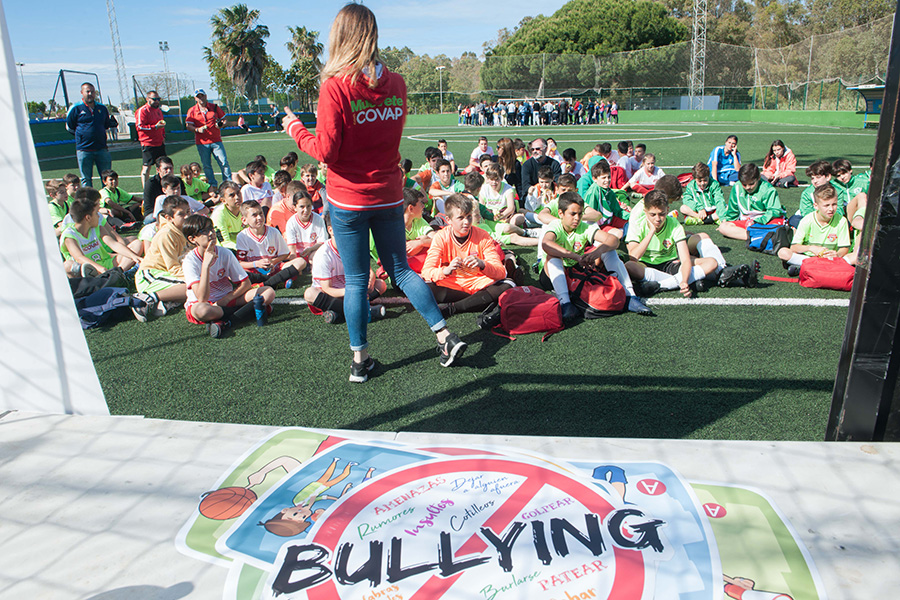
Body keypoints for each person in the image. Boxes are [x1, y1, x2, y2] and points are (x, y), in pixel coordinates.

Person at [282, 3, 466, 382]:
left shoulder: (335, 86)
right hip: (388, 193)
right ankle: (444, 336)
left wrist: (295, 129)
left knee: (355, 280)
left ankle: (359, 361)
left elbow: (327, 151)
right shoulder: (396, 83)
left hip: (348, 199)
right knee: (400, 271)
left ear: (340, 37)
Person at [538, 192, 652, 320]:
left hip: (575, 272)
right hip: (551, 276)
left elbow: (613, 240)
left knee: (609, 251)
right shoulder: (556, 225)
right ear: (560, 214)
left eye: (580, 214)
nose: (577, 218)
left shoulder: (584, 227)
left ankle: (630, 296)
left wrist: (596, 253)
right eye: (573, 214)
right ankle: (565, 303)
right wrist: (575, 256)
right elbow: (546, 244)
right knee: (553, 258)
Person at [420, 194, 513, 320]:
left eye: (469, 216)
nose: (466, 222)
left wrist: (482, 264)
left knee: (508, 284)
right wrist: (445, 271)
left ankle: (454, 308)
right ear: (448, 219)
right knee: (425, 288)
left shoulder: (483, 235)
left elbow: (501, 272)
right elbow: (426, 272)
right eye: (461, 218)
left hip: (480, 283)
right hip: (453, 284)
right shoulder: (441, 237)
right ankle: (479, 302)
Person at [181, 214, 275, 338]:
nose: (211, 233)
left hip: (228, 299)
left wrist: (226, 299)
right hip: (205, 305)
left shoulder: (225, 253)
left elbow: (245, 284)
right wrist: (205, 266)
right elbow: (202, 298)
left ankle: (225, 321)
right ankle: (247, 311)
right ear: (192, 239)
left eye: (211, 228)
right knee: (202, 311)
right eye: (204, 231)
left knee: (268, 293)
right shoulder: (190, 261)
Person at [626, 190, 731, 298]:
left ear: (667, 210)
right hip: (646, 265)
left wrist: (684, 281)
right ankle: (687, 280)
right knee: (629, 266)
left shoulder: (674, 224)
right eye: (653, 214)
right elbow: (634, 257)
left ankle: (662, 285)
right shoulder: (638, 224)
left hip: (670, 264)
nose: (657, 219)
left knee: (712, 263)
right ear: (645, 211)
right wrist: (651, 232)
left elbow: (685, 259)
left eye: (662, 214)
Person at [303, 212, 387, 326]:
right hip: (332, 295)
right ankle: (364, 311)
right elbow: (327, 289)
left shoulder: (355, 245)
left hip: (351, 290)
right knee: (309, 293)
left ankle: (338, 313)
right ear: (330, 230)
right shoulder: (323, 254)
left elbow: (370, 272)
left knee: (381, 285)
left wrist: (370, 282)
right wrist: (352, 292)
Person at [60, 188, 142, 279]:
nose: (99, 216)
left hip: (106, 263)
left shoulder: (98, 228)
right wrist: (101, 269)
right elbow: (79, 257)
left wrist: (134, 256)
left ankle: (118, 275)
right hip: (89, 268)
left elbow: (114, 244)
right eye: (96, 213)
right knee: (67, 265)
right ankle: (111, 276)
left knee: (136, 244)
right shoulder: (70, 235)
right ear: (88, 218)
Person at [134, 195, 191, 318]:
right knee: (195, 286)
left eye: (188, 211)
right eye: (181, 214)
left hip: (166, 275)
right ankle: (147, 298)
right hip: (150, 275)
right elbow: (174, 268)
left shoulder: (184, 229)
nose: (187, 216)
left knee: (201, 286)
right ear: (169, 218)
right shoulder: (166, 234)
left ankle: (169, 302)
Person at [778, 184, 851, 276]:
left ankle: (806, 267)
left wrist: (837, 254)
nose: (831, 209)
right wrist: (811, 248)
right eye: (826, 205)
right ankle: (819, 267)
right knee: (783, 252)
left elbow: (844, 248)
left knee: (855, 257)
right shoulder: (807, 220)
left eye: (834, 204)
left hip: (831, 259)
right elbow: (794, 247)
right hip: (809, 257)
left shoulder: (841, 221)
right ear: (816, 206)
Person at [235, 200, 304, 288]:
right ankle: (278, 281)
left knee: (300, 262)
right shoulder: (242, 236)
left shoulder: (273, 232)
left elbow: (285, 253)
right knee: (236, 271)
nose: (259, 217)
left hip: (274, 268)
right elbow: (240, 263)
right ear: (244, 220)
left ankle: (264, 284)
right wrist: (256, 264)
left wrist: (273, 261)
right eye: (254, 215)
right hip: (254, 270)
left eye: (261, 213)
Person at [65, 82, 118, 188]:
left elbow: (106, 124)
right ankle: (89, 203)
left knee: (107, 178)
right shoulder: (76, 108)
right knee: (86, 179)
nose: (90, 94)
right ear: (81, 93)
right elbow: (69, 127)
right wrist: (83, 136)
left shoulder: (102, 108)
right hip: (84, 150)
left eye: (92, 92)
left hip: (101, 148)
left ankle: (107, 202)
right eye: (87, 91)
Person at [717, 164, 786, 241]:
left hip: (767, 221)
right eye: (744, 184)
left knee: (778, 228)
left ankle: (759, 235)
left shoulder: (768, 189)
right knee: (723, 227)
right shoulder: (736, 187)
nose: (748, 187)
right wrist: (728, 222)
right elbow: (733, 211)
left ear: (759, 178)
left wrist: (758, 221)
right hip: (748, 222)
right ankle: (758, 237)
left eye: (751, 184)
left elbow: (775, 211)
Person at [185, 89, 233, 186]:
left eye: (202, 96)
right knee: (207, 166)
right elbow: (188, 125)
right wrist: (197, 129)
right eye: (198, 96)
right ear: (195, 98)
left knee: (223, 162)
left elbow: (225, 120)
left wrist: (221, 125)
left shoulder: (214, 107)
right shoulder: (192, 110)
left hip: (216, 141)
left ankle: (228, 183)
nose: (201, 98)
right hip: (202, 142)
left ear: (206, 96)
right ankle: (212, 185)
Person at [284, 191, 328, 270]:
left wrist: (310, 249)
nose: (306, 210)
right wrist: (294, 260)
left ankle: (316, 275)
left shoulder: (318, 219)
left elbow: (322, 242)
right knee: (298, 262)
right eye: (302, 207)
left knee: (316, 258)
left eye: (308, 206)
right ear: (295, 207)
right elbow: (292, 249)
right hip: (299, 256)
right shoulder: (291, 222)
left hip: (313, 251)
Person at [134, 91, 167, 188]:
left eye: (158, 99)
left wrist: (163, 136)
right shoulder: (142, 111)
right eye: (154, 99)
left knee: (163, 166)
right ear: (148, 99)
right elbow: (139, 127)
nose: (157, 101)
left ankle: (164, 186)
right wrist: (154, 127)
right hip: (148, 143)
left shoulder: (158, 111)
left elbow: (162, 126)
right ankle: (146, 190)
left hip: (159, 143)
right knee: (146, 168)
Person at [790, 160, 833, 228]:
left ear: (828, 177)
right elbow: (806, 212)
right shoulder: (807, 193)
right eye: (812, 178)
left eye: (818, 177)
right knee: (794, 220)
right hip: (813, 220)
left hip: (831, 218)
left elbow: (839, 210)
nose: (815, 181)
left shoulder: (837, 190)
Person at [143, 156, 186, 223]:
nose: (169, 171)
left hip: (177, 210)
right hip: (156, 213)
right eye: (165, 168)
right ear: (158, 170)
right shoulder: (151, 183)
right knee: (150, 220)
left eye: (171, 168)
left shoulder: (178, 181)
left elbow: (184, 198)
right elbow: (148, 208)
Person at [211, 181, 245, 249]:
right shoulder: (219, 215)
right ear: (223, 200)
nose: (237, 197)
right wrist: (244, 249)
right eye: (232, 195)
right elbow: (224, 242)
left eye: (238, 193)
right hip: (227, 251)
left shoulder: (245, 209)